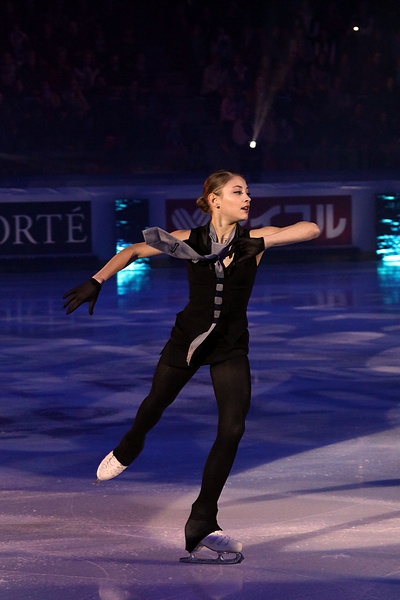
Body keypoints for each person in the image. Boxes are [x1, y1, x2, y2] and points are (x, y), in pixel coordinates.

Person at [63, 169, 320, 563]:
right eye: (238, 192)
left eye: (248, 192)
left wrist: (263, 242)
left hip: (230, 347)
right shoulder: (189, 240)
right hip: (187, 343)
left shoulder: (255, 239)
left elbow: (311, 228)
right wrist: (97, 281)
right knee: (154, 406)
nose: (247, 198)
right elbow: (132, 250)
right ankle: (131, 444)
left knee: (233, 428)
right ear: (216, 200)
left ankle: (202, 519)